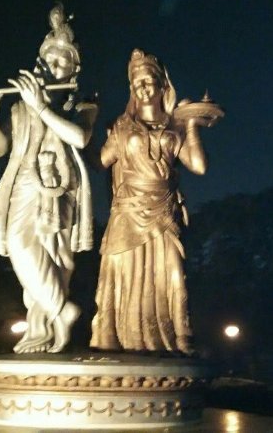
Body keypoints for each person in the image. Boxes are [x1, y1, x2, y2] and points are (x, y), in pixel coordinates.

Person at [0, 4, 97, 353]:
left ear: (73, 70)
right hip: (22, 184)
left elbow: (80, 137)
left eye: (61, 63)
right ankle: (59, 312)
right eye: (47, 60)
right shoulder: (20, 108)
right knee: (18, 244)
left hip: (58, 185)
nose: (52, 67)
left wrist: (42, 106)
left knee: (57, 258)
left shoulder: (81, 105)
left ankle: (52, 320)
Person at [90, 49, 209, 354]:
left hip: (163, 210)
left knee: (172, 273)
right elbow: (98, 162)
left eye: (148, 81)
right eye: (136, 82)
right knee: (124, 274)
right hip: (128, 211)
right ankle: (119, 338)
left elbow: (198, 166)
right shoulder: (121, 127)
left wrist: (190, 125)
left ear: (162, 86)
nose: (142, 87)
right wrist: (84, 126)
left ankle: (179, 337)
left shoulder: (174, 127)